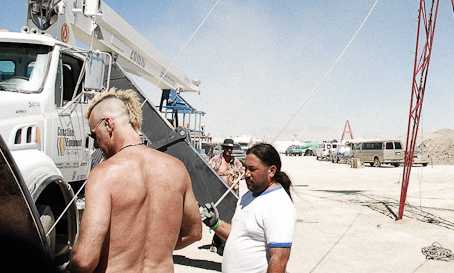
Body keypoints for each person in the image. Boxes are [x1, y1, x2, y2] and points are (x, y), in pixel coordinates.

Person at [68, 88, 202, 272]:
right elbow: (194, 233)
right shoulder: (176, 169)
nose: (96, 144)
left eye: (94, 135)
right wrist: (159, 248)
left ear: (108, 124)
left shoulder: (104, 175)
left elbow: (85, 260)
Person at [201, 143, 296, 273]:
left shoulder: (278, 204)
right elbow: (238, 234)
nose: (246, 174)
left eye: (252, 169)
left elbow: (279, 258)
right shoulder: (248, 196)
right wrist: (215, 223)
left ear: (271, 171)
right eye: (246, 168)